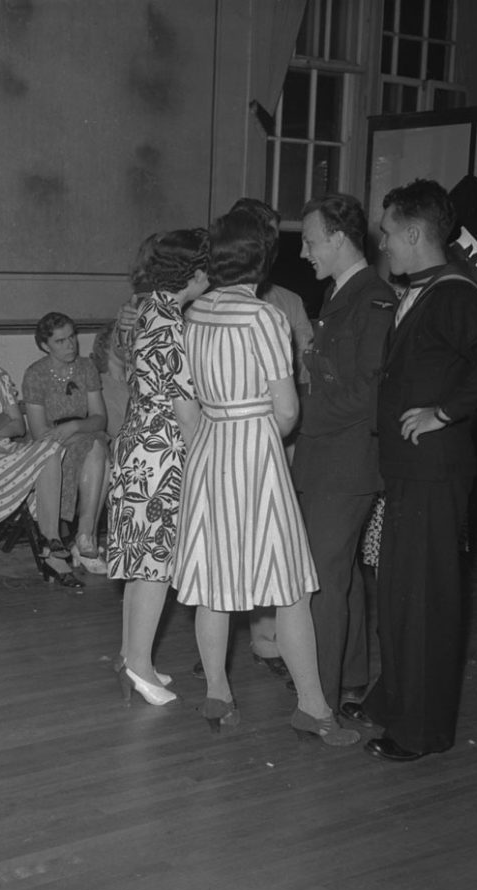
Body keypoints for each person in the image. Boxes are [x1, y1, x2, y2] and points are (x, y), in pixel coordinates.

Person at [172, 207, 359, 746]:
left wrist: (210, 438)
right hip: (255, 451)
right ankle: (313, 708)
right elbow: (286, 411)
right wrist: (257, 432)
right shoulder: (264, 316)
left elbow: (187, 400)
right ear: (262, 256)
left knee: (213, 586)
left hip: (209, 448)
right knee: (290, 589)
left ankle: (217, 694)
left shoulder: (196, 313)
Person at [356, 179, 477, 761]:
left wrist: (445, 413)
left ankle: (420, 732)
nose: (383, 243)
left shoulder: (452, 293)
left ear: (415, 233)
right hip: (410, 471)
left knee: (422, 599)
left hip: (433, 472)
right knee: (401, 592)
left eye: (388, 232)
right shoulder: (425, 289)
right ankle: (392, 701)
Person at [293, 193, 396, 712]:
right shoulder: (342, 294)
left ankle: (321, 693)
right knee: (343, 572)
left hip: (346, 461)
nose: (306, 252)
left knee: (322, 579)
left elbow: (370, 391)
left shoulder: (373, 299)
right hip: (327, 457)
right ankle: (350, 675)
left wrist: (295, 416)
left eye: (311, 241)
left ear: (337, 237)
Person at [107, 228, 207, 706]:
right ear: (195, 271)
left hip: (136, 441)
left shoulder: (146, 309)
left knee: (139, 560)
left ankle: (131, 655)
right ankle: (140, 665)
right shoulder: (172, 323)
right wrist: (209, 464)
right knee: (155, 565)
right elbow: (187, 412)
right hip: (163, 450)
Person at [0, 311, 79, 587]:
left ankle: (51, 541)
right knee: (49, 452)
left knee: (51, 449)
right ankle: (52, 544)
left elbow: (19, 428)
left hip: (7, 455)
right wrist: (1, 421)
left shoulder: (0, 375)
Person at [22, 313, 110, 573]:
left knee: (96, 445)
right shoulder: (35, 374)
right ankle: (86, 539)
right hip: (51, 443)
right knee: (99, 453)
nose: (70, 345)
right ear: (45, 345)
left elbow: (99, 418)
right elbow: (40, 432)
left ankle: (83, 536)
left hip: (83, 431)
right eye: (60, 341)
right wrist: (68, 432)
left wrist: (74, 426)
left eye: (72, 337)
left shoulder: (86, 367)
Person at [90, 321, 131, 443]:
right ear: (106, 348)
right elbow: (116, 429)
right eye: (123, 341)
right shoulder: (99, 384)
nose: (129, 346)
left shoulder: (135, 380)